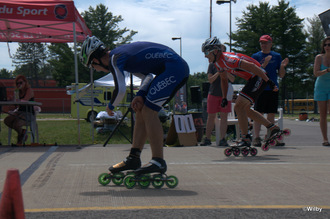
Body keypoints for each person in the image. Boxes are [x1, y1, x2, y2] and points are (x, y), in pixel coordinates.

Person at [80, 36, 189, 175]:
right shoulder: (121, 57)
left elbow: (120, 90)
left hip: (174, 68)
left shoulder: (115, 58)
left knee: (149, 111)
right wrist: (140, 94)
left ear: (95, 59)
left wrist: (110, 107)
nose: (96, 69)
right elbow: (147, 76)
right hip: (171, 67)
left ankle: (158, 161)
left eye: (92, 66)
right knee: (140, 109)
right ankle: (134, 158)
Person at [201, 36, 281, 147]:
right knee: (246, 109)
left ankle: (245, 138)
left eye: (206, 52)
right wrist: (224, 97)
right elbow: (224, 79)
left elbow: (252, 66)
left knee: (238, 106)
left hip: (259, 76)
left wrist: (269, 82)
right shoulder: (217, 63)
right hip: (253, 79)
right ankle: (272, 127)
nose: (205, 56)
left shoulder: (228, 59)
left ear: (215, 51)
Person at [252, 35, 289, 147]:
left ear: (270, 44)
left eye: (266, 43)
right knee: (258, 113)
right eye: (262, 43)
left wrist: (282, 66)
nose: (264, 45)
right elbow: (253, 73)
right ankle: (256, 137)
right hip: (260, 88)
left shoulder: (276, 56)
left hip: (272, 88)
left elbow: (281, 75)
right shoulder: (256, 56)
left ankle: (270, 136)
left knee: (271, 114)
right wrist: (264, 64)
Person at [200, 47, 235, 146]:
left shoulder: (229, 64)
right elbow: (210, 80)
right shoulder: (212, 64)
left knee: (224, 117)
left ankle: (223, 139)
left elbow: (232, 79)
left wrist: (226, 71)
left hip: (225, 95)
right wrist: (219, 72)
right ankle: (207, 138)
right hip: (213, 93)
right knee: (211, 116)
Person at [4, 75, 34, 145]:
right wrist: (11, 100)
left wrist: (17, 100)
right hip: (19, 111)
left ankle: (20, 138)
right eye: (17, 83)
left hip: (28, 113)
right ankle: (22, 132)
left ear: (25, 82)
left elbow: (25, 100)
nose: (19, 85)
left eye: (21, 83)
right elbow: (16, 102)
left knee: (16, 124)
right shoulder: (17, 91)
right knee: (7, 120)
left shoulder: (29, 90)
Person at [313, 36, 330, 146]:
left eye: (329, 45)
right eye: (326, 45)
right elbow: (316, 73)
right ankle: (325, 139)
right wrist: (327, 70)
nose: (327, 47)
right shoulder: (319, 57)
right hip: (321, 87)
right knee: (322, 114)